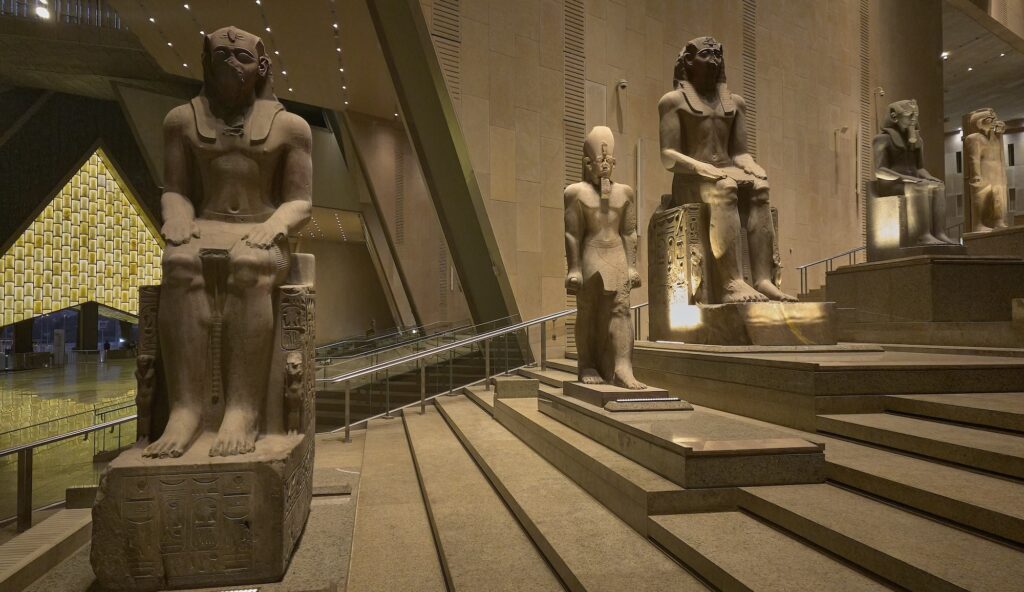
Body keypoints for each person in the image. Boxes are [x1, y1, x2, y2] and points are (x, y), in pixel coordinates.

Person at [143, 26, 312, 458]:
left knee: (247, 265)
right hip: (206, 225)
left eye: (241, 57)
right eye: (221, 56)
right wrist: (177, 213)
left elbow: (299, 203)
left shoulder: (290, 128)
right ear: (205, 62)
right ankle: (186, 409)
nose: (231, 65)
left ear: (262, 67)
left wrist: (274, 226)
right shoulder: (181, 121)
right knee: (178, 262)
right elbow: (176, 188)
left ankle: (243, 409)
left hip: (262, 230)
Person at [658, 36, 795, 303]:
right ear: (689, 61)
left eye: (718, 55)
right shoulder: (673, 102)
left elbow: (740, 152)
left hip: (724, 172)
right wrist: (701, 167)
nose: (715, 60)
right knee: (726, 188)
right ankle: (733, 282)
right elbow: (668, 156)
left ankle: (763, 280)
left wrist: (751, 166)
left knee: (761, 188)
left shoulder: (735, 104)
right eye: (707, 54)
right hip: (691, 179)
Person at [564, 126, 645, 389]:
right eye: (600, 161)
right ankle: (586, 363)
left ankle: (623, 367)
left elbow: (630, 232)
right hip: (591, 253)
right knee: (586, 312)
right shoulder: (575, 193)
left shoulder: (625, 193)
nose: (606, 166)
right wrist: (574, 268)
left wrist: (632, 266)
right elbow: (573, 234)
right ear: (588, 163)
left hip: (617, 255)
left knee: (621, 311)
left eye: (609, 161)